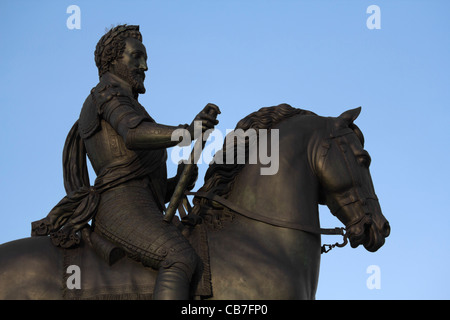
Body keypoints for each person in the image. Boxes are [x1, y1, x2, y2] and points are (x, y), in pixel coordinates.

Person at [31, 24, 219, 300]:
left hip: (137, 203)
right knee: (179, 256)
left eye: (145, 59)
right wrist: (187, 133)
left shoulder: (125, 101)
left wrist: (174, 184)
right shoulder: (106, 94)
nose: (144, 66)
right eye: (137, 57)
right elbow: (133, 134)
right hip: (120, 206)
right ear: (113, 60)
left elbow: (138, 181)